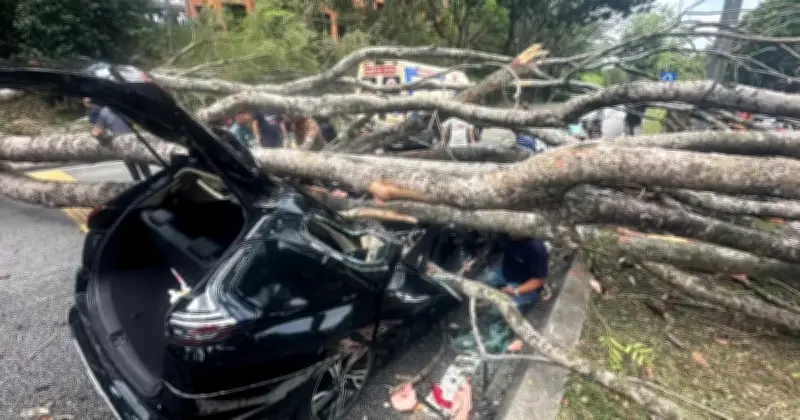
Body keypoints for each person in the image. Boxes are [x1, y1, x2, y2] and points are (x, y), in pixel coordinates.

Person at [90, 104, 152, 182]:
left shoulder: (121, 107)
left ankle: (149, 183)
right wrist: (99, 134)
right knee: (135, 172)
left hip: (133, 142)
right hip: (122, 145)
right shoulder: (105, 112)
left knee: (144, 170)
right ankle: (143, 185)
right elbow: (97, 130)